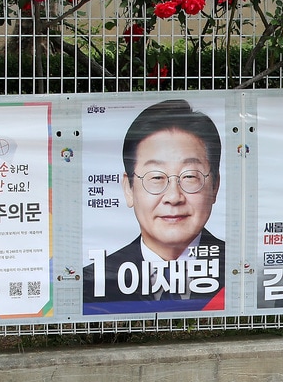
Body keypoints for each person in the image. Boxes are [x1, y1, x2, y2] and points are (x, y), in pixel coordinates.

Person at [83, 99, 225, 311]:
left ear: (214, 186)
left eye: (189, 177)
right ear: (129, 189)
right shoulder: (92, 282)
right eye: (157, 177)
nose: (173, 197)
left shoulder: (240, 270)